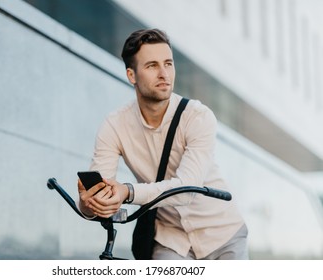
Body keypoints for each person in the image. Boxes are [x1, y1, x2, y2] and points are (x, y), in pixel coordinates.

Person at [78, 28, 248, 260]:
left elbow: (187, 188)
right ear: (132, 75)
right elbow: (101, 190)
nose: (164, 74)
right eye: (152, 66)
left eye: (168, 64)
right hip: (170, 240)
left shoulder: (198, 116)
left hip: (222, 235)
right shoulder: (114, 125)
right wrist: (91, 204)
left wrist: (126, 191)